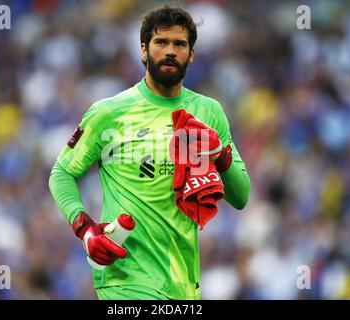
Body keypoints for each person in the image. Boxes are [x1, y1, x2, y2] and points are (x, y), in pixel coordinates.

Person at [49, 4, 250, 300]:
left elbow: (241, 196)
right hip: (127, 278)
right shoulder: (110, 112)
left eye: (180, 44)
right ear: (144, 50)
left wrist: (219, 154)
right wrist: (85, 228)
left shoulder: (209, 112)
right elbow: (62, 172)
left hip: (184, 283)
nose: (170, 51)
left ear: (191, 55)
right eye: (161, 42)